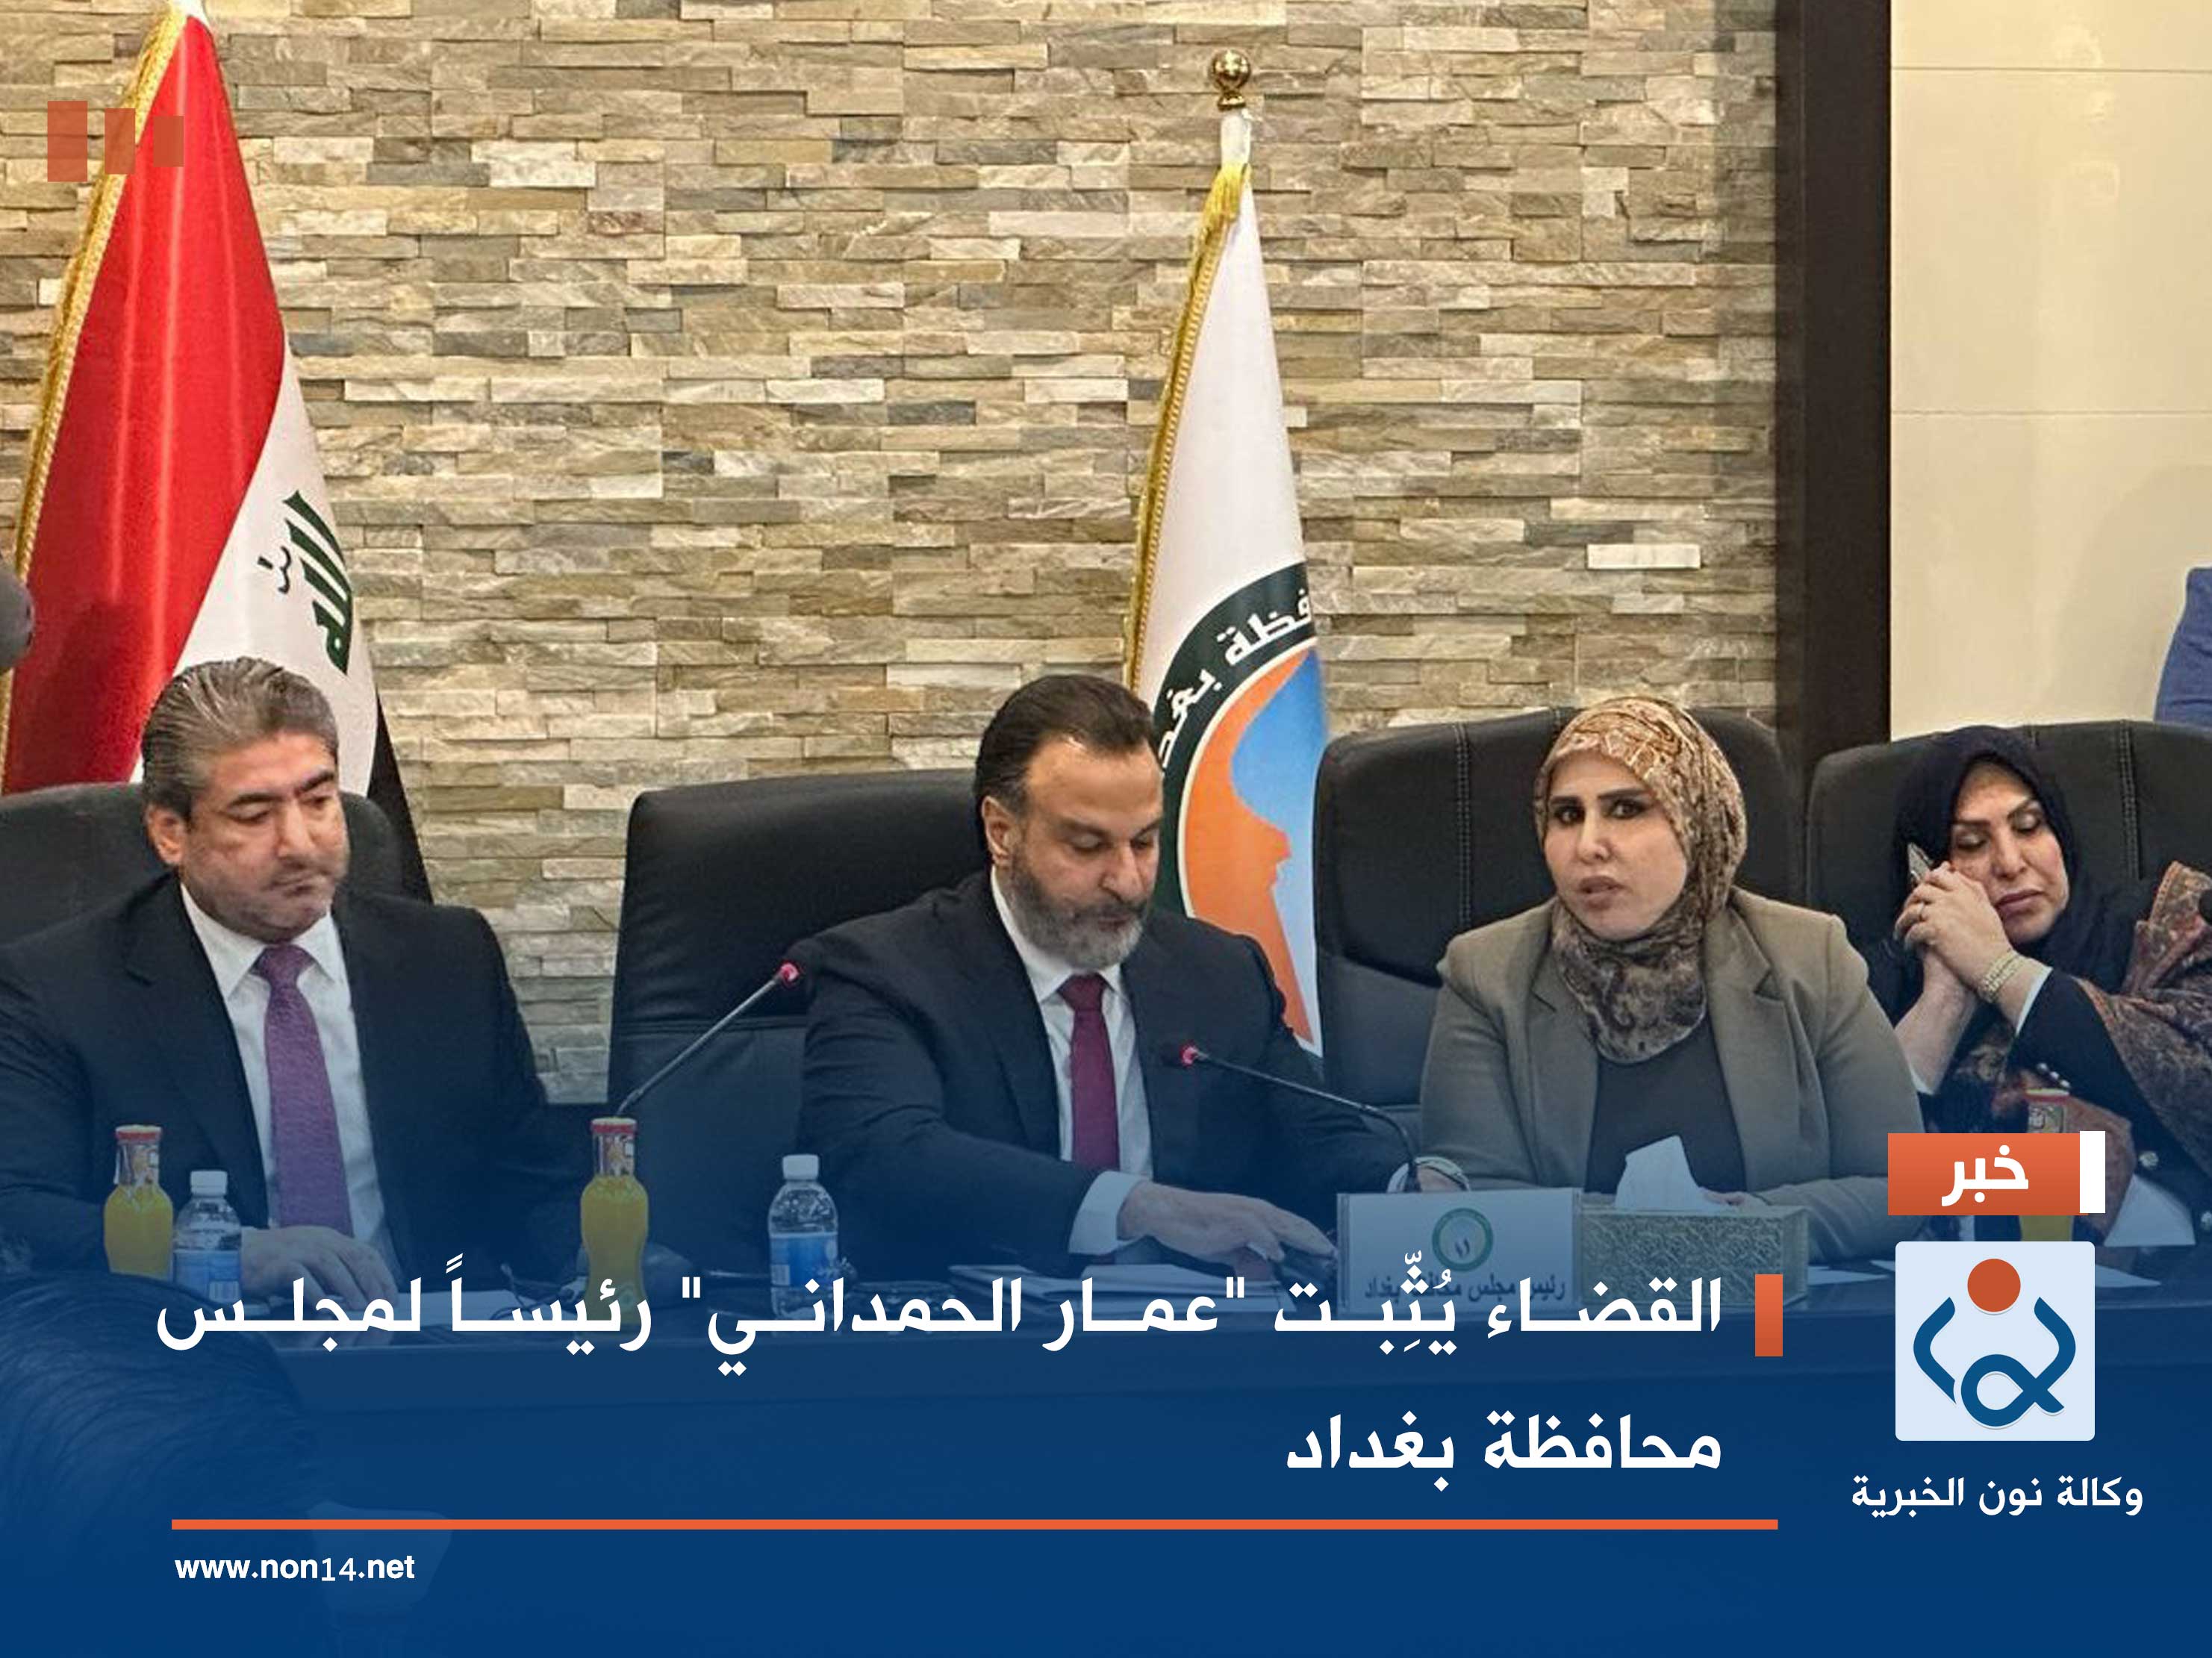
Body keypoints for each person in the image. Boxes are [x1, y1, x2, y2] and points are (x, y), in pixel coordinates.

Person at [798, 674, 1443, 1280]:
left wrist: (1405, 1189)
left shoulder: (1218, 973)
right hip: (975, 1340)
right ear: (1001, 832)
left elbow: (1316, 1140)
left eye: (1144, 841)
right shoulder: (888, 971)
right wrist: (1136, 1205)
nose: (1129, 882)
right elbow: (883, 1156)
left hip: (1194, 1335)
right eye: (1087, 846)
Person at [0, 658, 583, 1305]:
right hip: (192, 1343)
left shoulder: (446, 958)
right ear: (170, 833)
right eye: (255, 815)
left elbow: (531, 1185)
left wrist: (610, 1256)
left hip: (430, 1336)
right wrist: (221, 1253)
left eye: (318, 801)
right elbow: (21, 1210)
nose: (300, 844)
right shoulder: (61, 989)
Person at [1419, 697, 1922, 1262]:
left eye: (1626, 809)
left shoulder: (1810, 956)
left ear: (1697, 823)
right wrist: (1672, 1233)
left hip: (1769, 1309)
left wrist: (1749, 1225)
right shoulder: (1485, 973)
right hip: (1574, 1315)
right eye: (1566, 815)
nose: (1588, 845)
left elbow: (1899, 1187)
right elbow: (1469, 1201)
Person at [1872, 726, 2212, 1241]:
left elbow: (2191, 1083)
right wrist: (1943, 1001)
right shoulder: (1879, 981)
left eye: (2029, 827)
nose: (2010, 864)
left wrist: (1999, 969)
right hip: (1953, 1284)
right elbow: (1865, 1178)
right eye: (1971, 843)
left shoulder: (2170, 923)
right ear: (1929, 874)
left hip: (2166, 1277)